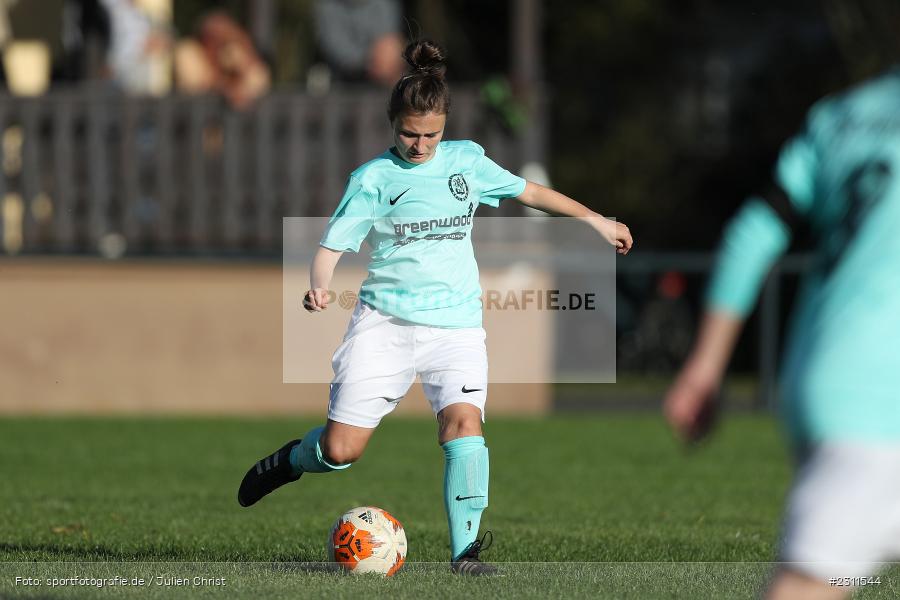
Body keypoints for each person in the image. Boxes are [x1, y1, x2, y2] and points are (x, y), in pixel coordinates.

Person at [237, 39, 633, 575]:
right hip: (385, 325)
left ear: (444, 127)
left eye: (431, 135)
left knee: (464, 426)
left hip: (456, 328)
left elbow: (531, 193)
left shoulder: (467, 161)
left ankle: (465, 553)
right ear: (392, 124)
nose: (421, 145)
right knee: (341, 450)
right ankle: (290, 460)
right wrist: (319, 287)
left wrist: (597, 221)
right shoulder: (372, 179)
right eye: (410, 134)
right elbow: (331, 248)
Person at [664, 65, 900, 599]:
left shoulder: (843, 117)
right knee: (810, 585)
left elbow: (756, 229)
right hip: (881, 399)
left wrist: (705, 365)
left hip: (833, 378)